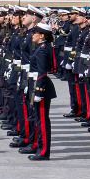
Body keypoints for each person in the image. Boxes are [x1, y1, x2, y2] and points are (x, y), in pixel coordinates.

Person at [25, 21, 56, 160]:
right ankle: (39, 147)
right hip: (36, 84)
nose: (33, 35)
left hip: (41, 88)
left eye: (35, 33)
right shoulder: (41, 47)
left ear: (42, 36)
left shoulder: (43, 49)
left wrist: (38, 90)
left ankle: (44, 151)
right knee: (38, 119)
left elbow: (42, 72)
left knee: (42, 120)